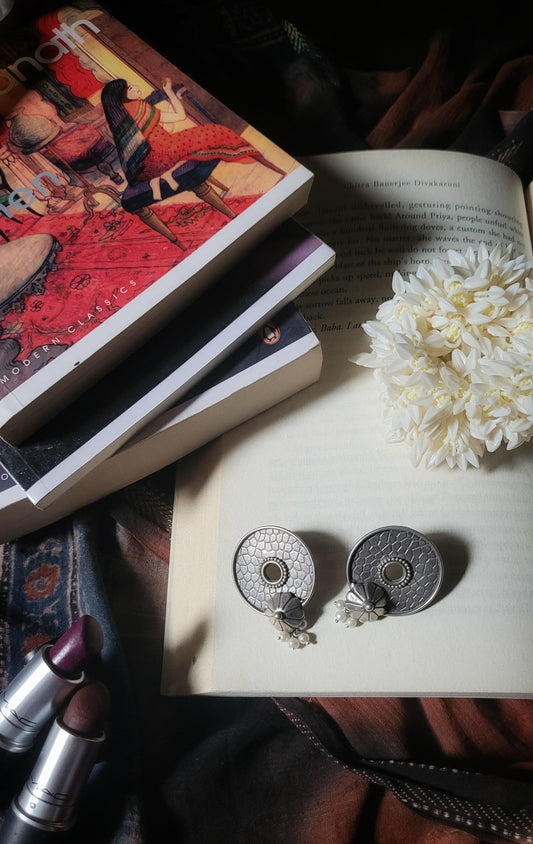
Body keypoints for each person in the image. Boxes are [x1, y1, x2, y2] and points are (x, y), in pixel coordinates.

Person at [101, 77, 285, 188]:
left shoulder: (121, 121)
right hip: (166, 154)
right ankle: (272, 168)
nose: (136, 88)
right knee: (219, 132)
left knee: (210, 135)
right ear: (122, 97)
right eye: (130, 88)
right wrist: (169, 92)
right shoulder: (140, 107)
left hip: (146, 168)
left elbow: (161, 134)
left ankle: (271, 168)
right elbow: (179, 116)